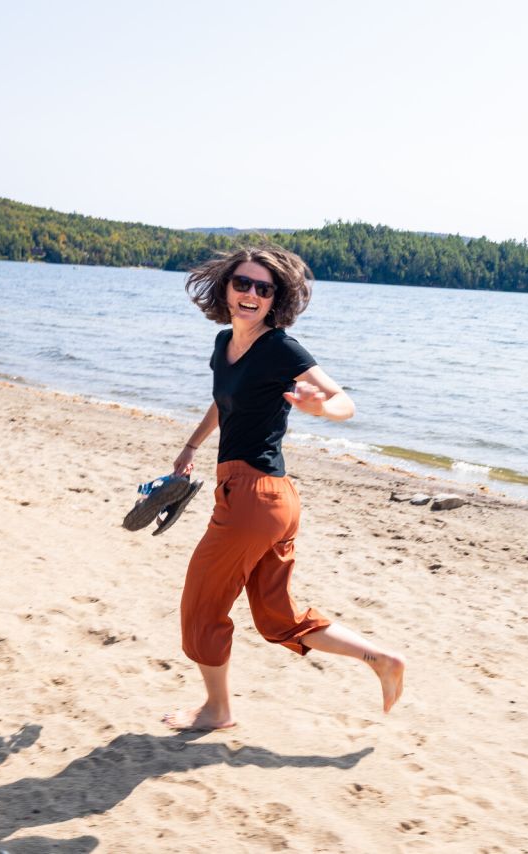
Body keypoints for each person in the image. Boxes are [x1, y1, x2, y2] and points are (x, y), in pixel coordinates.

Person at [162, 245, 405, 731]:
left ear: (277, 298)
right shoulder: (224, 344)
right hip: (268, 499)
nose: (250, 293)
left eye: (263, 288)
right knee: (277, 616)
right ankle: (380, 658)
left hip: (253, 501)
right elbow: (223, 403)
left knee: (201, 604)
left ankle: (217, 710)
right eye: (243, 283)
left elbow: (343, 402)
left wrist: (321, 408)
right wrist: (191, 447)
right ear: (226, 288)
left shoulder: (280, 348)